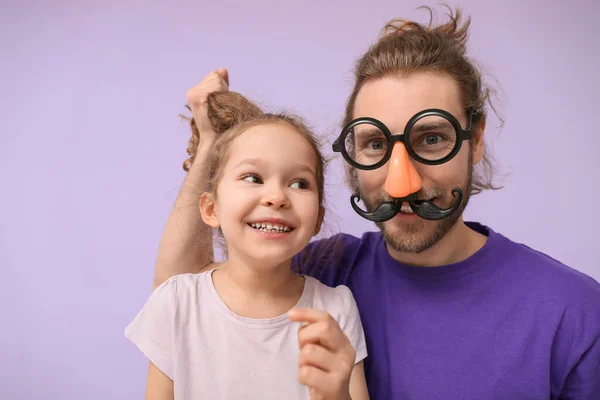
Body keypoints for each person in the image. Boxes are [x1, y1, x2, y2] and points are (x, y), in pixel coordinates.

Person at [151, 5, 600, 400]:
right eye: (373, 143)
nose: (400, 183)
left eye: (431, 139)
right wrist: (211, 144)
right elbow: (184, 292)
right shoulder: (326, 269)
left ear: (475, 139)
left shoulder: (574, 312)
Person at [125, 90, 370, 399]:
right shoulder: (177, 303)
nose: (277, 197)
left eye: (299, 183)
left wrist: (336, 394)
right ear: (211, 209)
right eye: (253, 178)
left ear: (317, 220)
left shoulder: (336, 309)